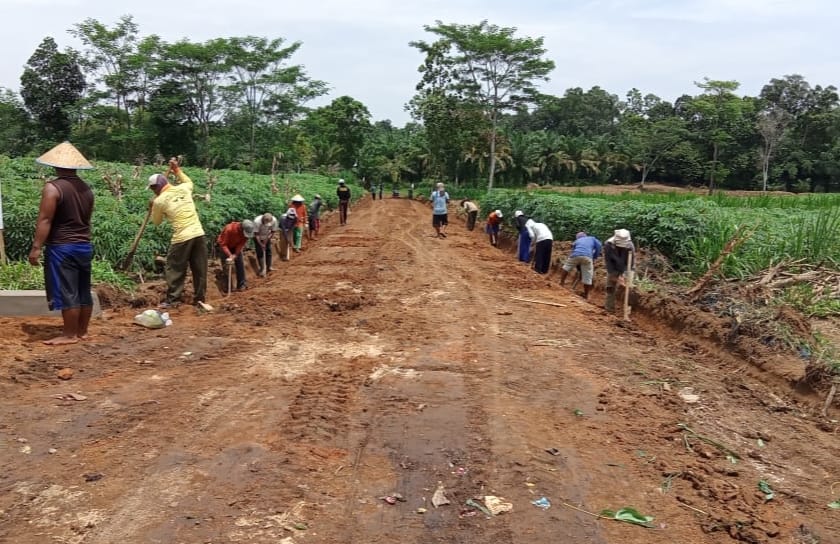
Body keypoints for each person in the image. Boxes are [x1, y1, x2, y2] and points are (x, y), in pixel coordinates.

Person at [28, 142, 95, 345]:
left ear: (56, 165)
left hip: (62, 247)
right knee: (83, 289)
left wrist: (36, 247)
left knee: (67, 289)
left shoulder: (53, 188)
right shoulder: (86, 189)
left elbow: (45, 220)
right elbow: (87, 219)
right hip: (84, 245)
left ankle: (68, 335)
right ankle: (82, 331)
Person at [150, 157, 208, 309]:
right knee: (199, 267)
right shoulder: (184, 188)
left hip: (181, 238)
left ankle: (173, 299)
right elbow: (189, 181)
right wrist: (176, 169)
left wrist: (152, 208)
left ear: (154, 189)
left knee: (175, 268)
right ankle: (200, 298)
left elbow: (156, 222)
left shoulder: (159, 201)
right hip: (198, 233)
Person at [560, 231, 603, 299]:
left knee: (566, 267)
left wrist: (577, 263)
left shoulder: (577, 241)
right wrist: (595, 256)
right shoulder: (592, 238)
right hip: (588, 257)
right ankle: (586, 295)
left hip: (575, 255)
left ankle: (561, 283)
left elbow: (573, 251)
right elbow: (599, 245)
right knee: (587, 276)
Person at [217, 219, 255, 291]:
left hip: (236, 246)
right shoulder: (229, 229)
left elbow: (241, 244)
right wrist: (230, 255)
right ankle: (228, 286)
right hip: (225, 246)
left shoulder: (245, 234)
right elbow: (223, 244)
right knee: (227, 266)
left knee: (240, 264)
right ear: (241, 228)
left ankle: (242, 284)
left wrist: (235, 254)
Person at [603, 229, 635, 312]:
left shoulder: (630, 246)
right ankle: (609, 308)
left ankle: (626, 311)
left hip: (626, 267)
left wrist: (623, 275)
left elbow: (630, 263)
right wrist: (613, 275)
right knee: (610, 287)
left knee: (628, 288)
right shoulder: (608, 245)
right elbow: (608, 261)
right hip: (613, 267)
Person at [253, 212, 278, 277]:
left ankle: (269, 267)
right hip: (258, 236)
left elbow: (273, 231)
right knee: (260, 252)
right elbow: (256, 234)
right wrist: (261, 244)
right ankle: (262, 269)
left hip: (267, 236)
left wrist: (266, 240)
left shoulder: (274, 220)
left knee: (268, 251)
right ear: (263, 220)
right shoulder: (257, 222)